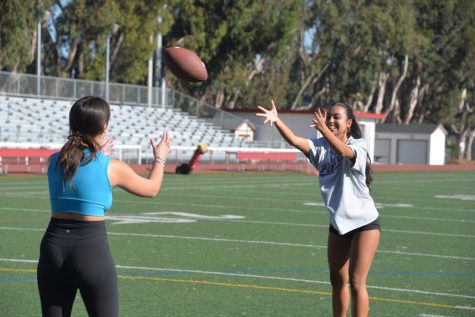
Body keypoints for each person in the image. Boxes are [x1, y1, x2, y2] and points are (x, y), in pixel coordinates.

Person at [37, 96, 171, 317]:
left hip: (53, 249)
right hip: (90, 251)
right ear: (105, 127)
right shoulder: (113, 167)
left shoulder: (54, 161)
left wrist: (99, 155)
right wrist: (161, 158)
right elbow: (152, 188)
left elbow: (80, 166)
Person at [256, 100, 380, 317]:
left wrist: (323, 129)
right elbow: (295, 140)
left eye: (336, 117)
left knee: (356, 280)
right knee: (336, 280)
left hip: (364, 223)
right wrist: (277, 121)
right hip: (338, 224)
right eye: (329, 116)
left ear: (348, 123)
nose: (331, 120)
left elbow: (342, 151)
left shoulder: (358, 144)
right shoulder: (319, 147)